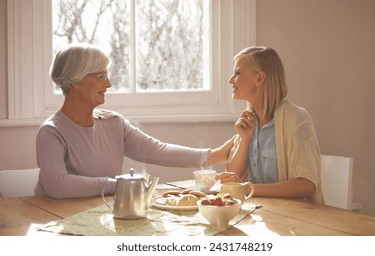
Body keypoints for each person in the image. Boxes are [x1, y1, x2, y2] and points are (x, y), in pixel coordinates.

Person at [35, 43, 231, 199]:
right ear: (75, 81)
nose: (109, 84)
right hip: (55, 221)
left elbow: (156, 150)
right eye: (101, 76)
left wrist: (213, 156)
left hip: (100, 214)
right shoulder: (51, 132)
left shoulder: (113, 123)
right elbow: (57, 186)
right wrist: (119, 184)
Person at [216, 46, 322, 203]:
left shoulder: (297, 119)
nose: (231, 80)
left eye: (237, 73)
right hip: (261, 214)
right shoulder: (249, 121)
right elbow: (233, 178)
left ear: (259, 78)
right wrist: (245, 140)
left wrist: (250, 188)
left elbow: (307, 185)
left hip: (295, 218)